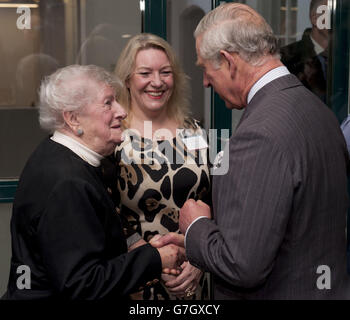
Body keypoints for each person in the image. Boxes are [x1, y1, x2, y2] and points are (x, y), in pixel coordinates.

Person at [153, 3, 350, 299]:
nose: (206, 82)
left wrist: (196, 226)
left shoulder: (258, 134)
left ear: (228, 61)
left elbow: (241, 266)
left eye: (206, 70)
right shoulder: (318, 111)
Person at [3, 64, 185, 300]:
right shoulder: (67, 182)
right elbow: (82, 285)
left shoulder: (63, 157)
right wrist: (155, 259)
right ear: (73, 118)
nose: (121, 111)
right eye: (108, 103)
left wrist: (140, 251)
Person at [113, 33, 211, 300]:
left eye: (165, 72)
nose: (157, 82)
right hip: (138, 276)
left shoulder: (194, 131)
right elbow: (105, 211)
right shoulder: (114, 137)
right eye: (145, 73)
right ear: (127, 79)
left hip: (194, 274)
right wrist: (154, 262)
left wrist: (200, 259)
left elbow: (216, 199)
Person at [280, 0, 329, 103]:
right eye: (330, 13)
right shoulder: (287, 58)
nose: (336, 19)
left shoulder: (344, 58)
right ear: (315, 18)